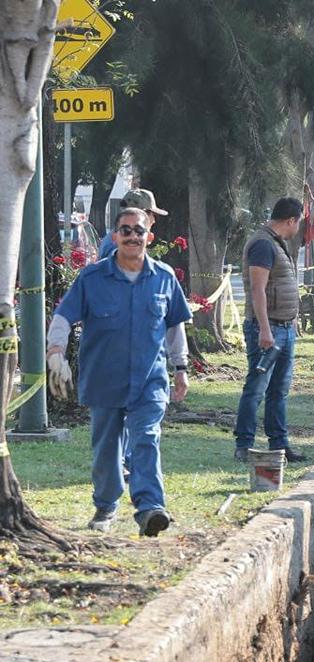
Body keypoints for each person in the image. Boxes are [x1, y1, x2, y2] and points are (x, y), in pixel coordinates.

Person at [47, 208, 191, 536]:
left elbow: (174, 328)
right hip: (103, 378)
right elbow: (63, 317)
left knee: (146, 439)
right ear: (114, 237)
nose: (132, 236)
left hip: (149, 380)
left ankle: (150, 508)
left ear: (148, 237)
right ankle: (106, 506)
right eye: (125, 230)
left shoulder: (164, 277)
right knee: (106, 448)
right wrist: (55, 349)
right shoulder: (92, 278)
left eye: (138, 230)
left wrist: (180, 367)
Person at [233, 198, 307, 463]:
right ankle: (244, 445)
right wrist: (264, 329)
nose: (298, 228)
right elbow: (257, 290)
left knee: (279, 390)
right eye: (299, 222)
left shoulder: (276, 243)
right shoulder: (263, 244)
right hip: (267, 329)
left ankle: (279, 445)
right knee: (256, 388)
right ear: (291, 220)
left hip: (284, 328)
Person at [97, 189, 169, 261]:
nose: (154, 220)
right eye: (153, 214)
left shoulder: (117, 238)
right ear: (142, 214)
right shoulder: (123, 246)